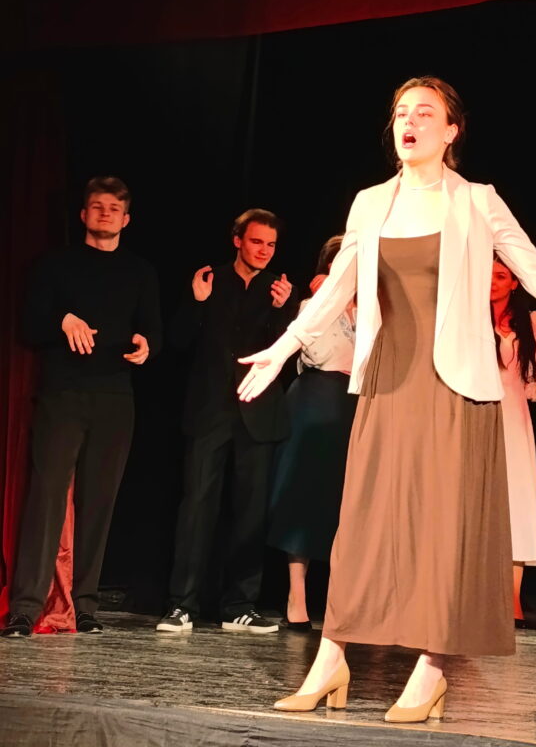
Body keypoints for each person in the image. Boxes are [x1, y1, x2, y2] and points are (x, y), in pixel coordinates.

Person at [236, 76, 536, 722]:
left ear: (451, 131)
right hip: (388, 378)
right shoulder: (370, 203)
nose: (408, 123)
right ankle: (331, 659)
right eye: (400, 113)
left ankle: (432, 667)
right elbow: (337, 288)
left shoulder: (476, 201)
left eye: (424, 113)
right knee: (363, 523)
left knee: (444, 527)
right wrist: (281, 347)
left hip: (456, 384)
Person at [2, 176, 161, 638]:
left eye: (114, 208)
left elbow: (153, 332)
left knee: (99, 501)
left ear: (126, 219)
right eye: (97, 206)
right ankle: (25, 607)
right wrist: (63, 319)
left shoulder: (140, 272)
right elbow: (29, 326)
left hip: (115, 398)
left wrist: (145, 345)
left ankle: (84, 604)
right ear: (83, 214)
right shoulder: (54, 265)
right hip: (63, 395)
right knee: (46, 497)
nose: (105, 213)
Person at [155, 208, 295, 635]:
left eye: (271, 245)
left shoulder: (278, 290)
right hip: (209, 411)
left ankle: (239, 606)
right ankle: (181, 604)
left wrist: (282, 312)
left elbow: (287, 355)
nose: (264, 251)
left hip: (258, 414)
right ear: (237, 240)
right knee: (197, 506)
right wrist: (196, 303)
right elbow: (177, 341)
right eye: (256, 242)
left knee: (251, 512)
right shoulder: (209, 280)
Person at [268, 235, 357, 630]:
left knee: (348, 501)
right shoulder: (312, 305)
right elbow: (318, 354)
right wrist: (327, 302)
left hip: (356, 404)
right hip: (316, 399)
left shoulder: (372, 310)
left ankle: (344, 598)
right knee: (304, 495)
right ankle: (297, 594)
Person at [490, 255, 536, 624]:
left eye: (501, 276)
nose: (493, 282)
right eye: (489, 275)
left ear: (514, 283)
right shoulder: (469, 317)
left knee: (517, 503)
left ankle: (512, 597)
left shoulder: (532, 322)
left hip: (513, 419)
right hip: (478, 413)